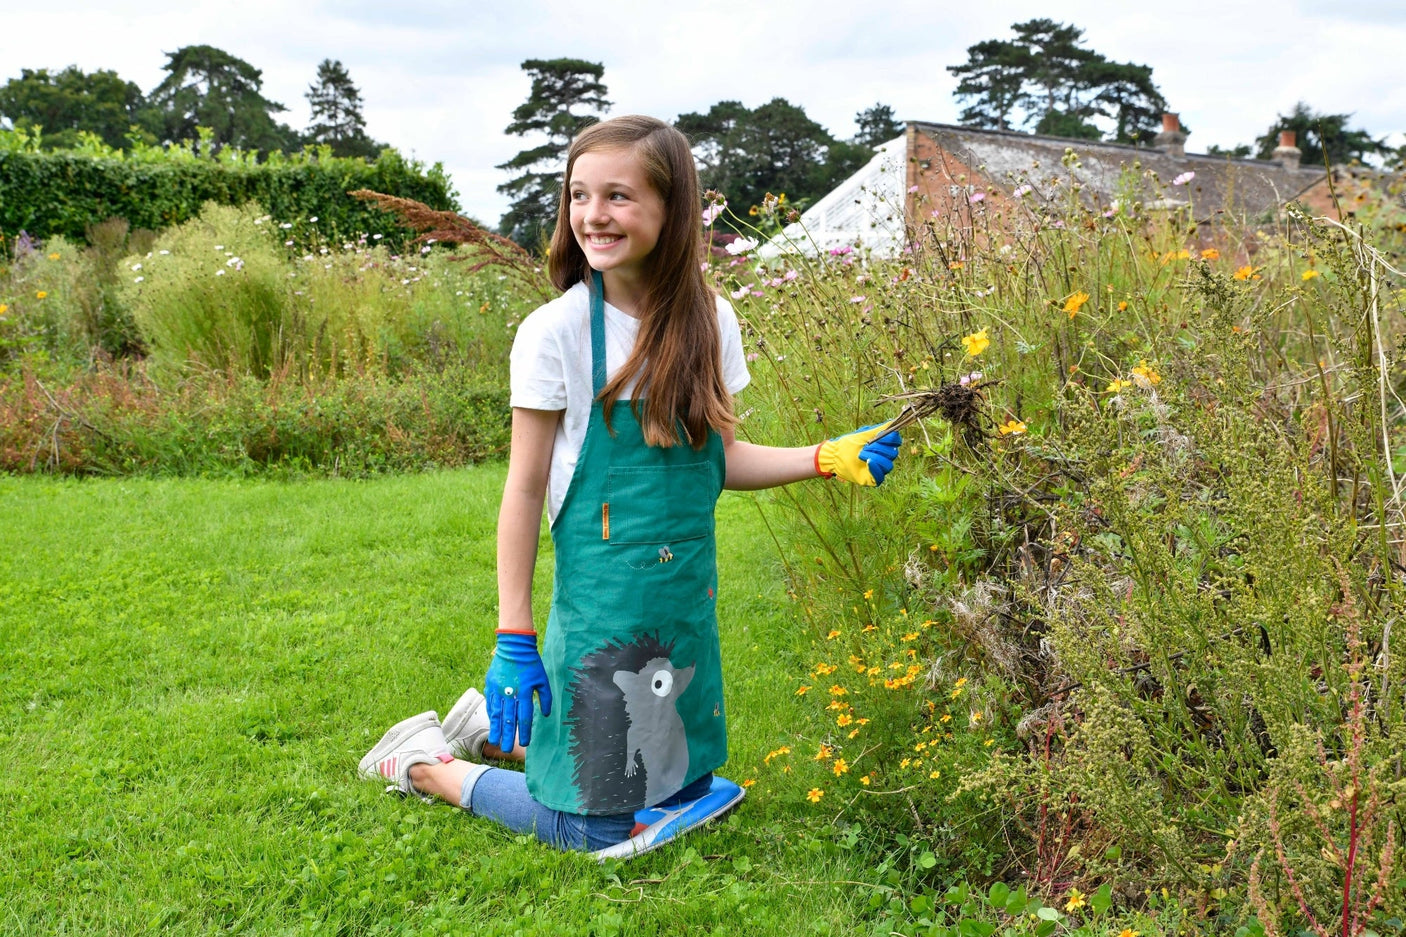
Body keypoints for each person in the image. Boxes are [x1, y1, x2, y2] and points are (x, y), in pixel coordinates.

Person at [359, 115, 900, 858]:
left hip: (681, 609)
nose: (592, 214)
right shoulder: (554, 334)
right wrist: (513, 633)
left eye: (617, 195)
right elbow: (522, 491)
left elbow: (720, 461)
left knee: (675, 784)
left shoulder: (713, 321)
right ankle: (425, 761)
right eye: (579, 195)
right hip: (604, 609)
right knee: (590, 824)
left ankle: (492, 729)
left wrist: (825, 455)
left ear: (672, 209)